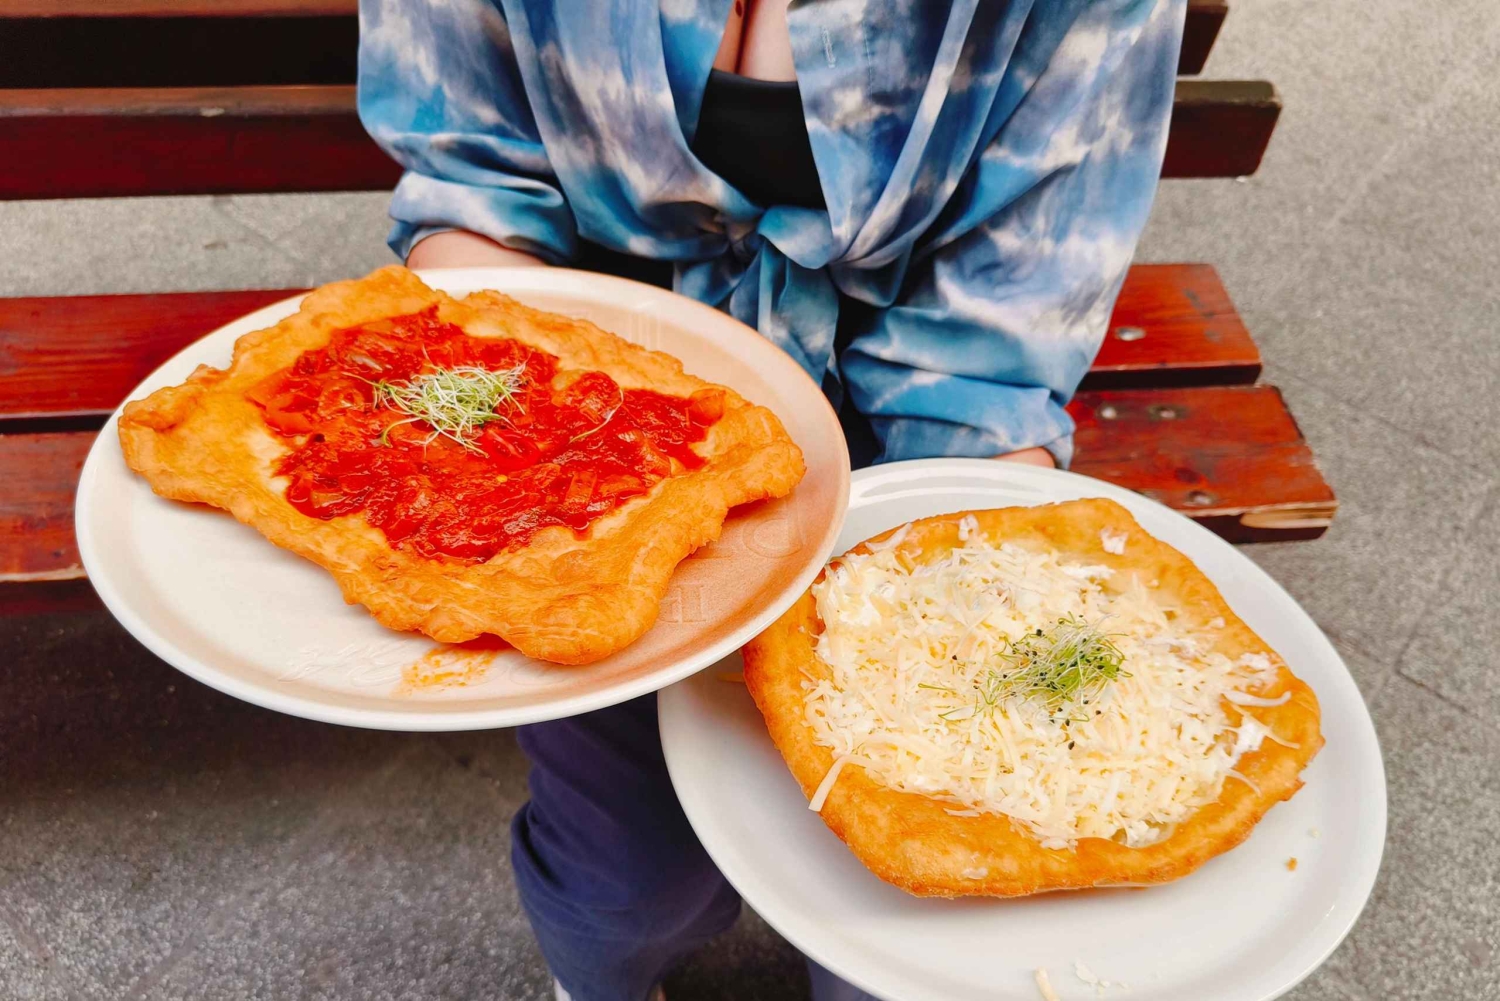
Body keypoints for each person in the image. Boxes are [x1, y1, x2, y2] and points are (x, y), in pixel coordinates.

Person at [357, 1, 1185, 998]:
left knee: (892, 939)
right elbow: (473, 177)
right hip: (580, 431)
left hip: (913, 445)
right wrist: (551, 462)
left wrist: (936, 632)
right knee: (628, 890)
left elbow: (1000, 337)